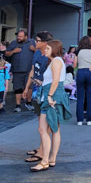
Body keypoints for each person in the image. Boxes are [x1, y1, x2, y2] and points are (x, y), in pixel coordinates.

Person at [30, 39, 71, 172]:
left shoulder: (56, 61)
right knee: (54, 129)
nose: (45, 50)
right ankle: (51, 159)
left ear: (53, 49)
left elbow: (55, 81)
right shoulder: (55, 61)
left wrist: (49, 96)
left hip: (51, 97)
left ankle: (45, 161)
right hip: (52, 95)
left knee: (43, 129)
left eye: (47, 48)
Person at [22, 31, 53, 164]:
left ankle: (41, 152)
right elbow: (33, 70)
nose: (36, 42)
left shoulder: (49, 56)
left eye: (38, 40)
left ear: (45, 43)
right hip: (36, 90)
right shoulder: (36, 53)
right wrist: (27, 87)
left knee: (44, 124)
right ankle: (41, 148)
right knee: (40, 119)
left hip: (44, 90)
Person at [5, 29, 35, 112]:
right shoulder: (14, 43)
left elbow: (40, 52)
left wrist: (33, 49)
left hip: (29, 70)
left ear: (26, 36)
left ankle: (29, 102)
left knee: (29, 87)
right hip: (17, 69)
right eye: (18, 36)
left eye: (21, 36)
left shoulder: (32, 42)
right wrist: (13, 51)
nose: (19, 38)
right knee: (17, 88)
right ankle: (18, 105)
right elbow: (6, 53)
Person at [74, 36, 91, 126]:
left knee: (80, 97)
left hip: (80, 72)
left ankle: (79, 120)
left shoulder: (78, 51)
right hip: (89, 72)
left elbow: (74, 64)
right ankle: (89, 120)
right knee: (89, 97)